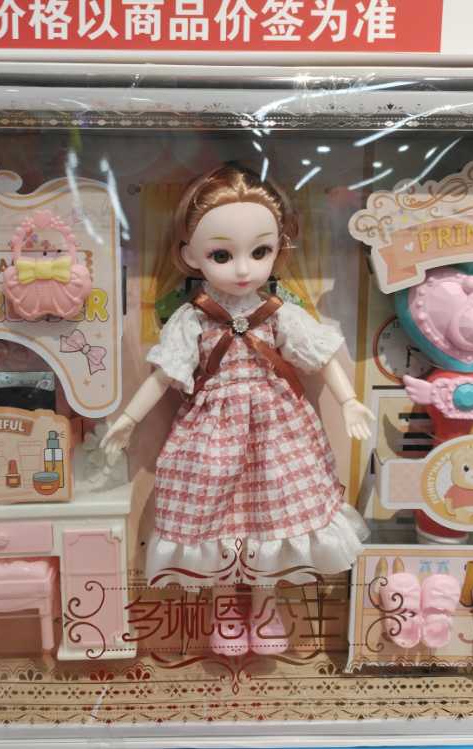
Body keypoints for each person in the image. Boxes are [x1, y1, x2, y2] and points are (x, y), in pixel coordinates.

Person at [101, 165, 374, 656]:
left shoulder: (280, 313)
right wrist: (128, 419)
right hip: (213, 433)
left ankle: (266, 604)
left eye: (260, 252)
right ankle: (226, 605)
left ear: (279, 249)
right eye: (222, 255)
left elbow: (320, 355)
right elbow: (164, 375)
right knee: (218, 518)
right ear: (191, 256)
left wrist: (350, 400)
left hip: (277, 433)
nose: (243, 269)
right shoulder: (192, 318)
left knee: (272, 515)